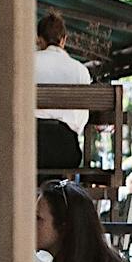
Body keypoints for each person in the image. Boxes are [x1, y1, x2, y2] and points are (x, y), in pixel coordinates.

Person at [36, 10, 93, 173]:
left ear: (39, 39)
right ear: (64, 40)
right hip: (66, 150)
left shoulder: (25, 64)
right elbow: (81, 119)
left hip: (31, 147)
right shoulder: (81, 70)